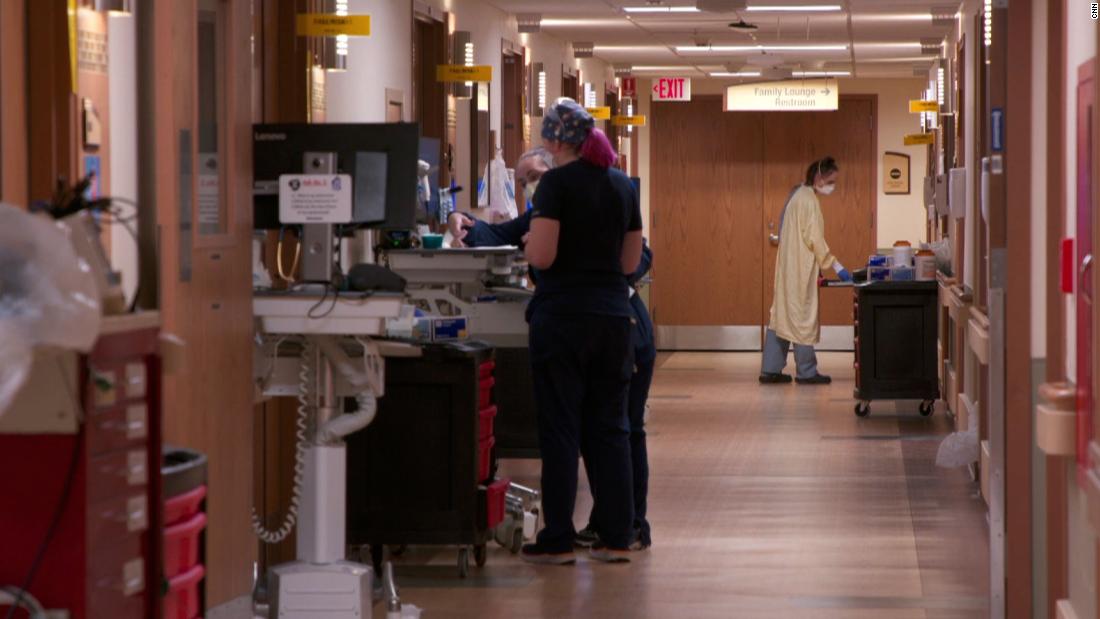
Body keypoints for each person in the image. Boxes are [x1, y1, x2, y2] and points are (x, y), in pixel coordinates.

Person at [449, 149, 657, 552]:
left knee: (622, 431)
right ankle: (607, 524)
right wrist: (459, 220)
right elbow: (495, 234)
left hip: (623, 327)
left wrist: (562, 253)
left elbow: (638, 257)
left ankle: (631, 525)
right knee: (597, 433)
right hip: (590, 327)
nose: (533, 184)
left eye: (539, 174)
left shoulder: (600, 197)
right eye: (524, 177)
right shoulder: (546, 209)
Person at [520, 99, 643, 565]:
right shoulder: (620, 185)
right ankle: (615, 536)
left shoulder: (553, 186)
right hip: (613, 320)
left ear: (554, 140)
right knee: (611, 428)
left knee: (561, 431)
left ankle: (558, 538)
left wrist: (532, 243)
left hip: (563, 321)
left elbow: (544, 257)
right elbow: (630, 263)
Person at [760, 156, 851, 386]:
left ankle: (770, 369)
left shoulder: (796, 195)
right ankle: (807, 372)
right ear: (819, 177)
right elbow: (815, 239)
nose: (832, 186)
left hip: (787, 268)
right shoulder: (809, 201)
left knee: (781, 315)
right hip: (800, 269)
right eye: (831, 181)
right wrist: (835, 265)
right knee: (801, 316)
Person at [445, 147, 553, 248]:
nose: (529, 187)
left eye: (534, 177)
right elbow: (494, 234)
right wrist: (459, 218)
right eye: (523, 184)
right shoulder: (532, 218)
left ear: (556, 171)